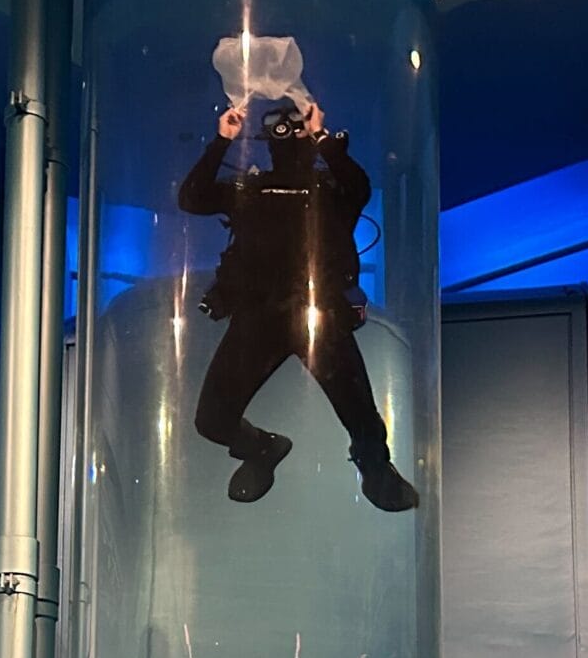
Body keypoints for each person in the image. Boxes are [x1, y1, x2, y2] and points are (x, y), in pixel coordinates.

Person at [177, 97, 420, 513]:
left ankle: (376, 469)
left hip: (318, 315)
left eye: (294, 126)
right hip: (258, 316)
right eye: (278, 127)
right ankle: (262, 449)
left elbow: (358, 187)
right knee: (212, 421)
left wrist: (323, 137)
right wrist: (222, 140)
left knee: (361, 415)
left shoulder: (331, 192)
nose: (286, 133)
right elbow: (192, 198)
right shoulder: (249, 190)